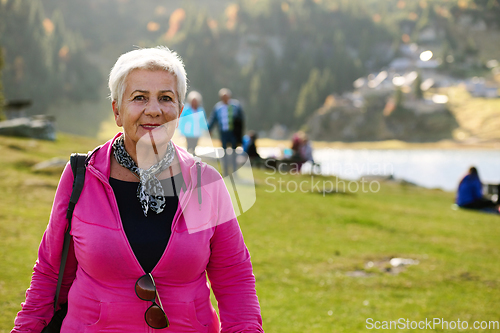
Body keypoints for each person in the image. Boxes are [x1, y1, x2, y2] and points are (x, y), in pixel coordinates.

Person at [12, 47, 263, 332]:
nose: (154, 109)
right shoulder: (80, 176)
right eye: (139, 97)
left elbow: (235, 278)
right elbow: (49, 273)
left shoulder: (205, 182)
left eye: (166, 98)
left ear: (179, 112)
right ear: (117, 111)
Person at [208, 88, 244, 176]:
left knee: (234, 152)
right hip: (223, 133)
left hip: (233, 133)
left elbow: (241, 120)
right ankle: (226, 171)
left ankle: (234, 171)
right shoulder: (218, 107)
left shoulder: (235, 106)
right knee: (224, 152)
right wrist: (209, 129)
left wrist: (240, 134)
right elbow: (213, 119)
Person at [179, 90, 208, 155]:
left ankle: (193, 160)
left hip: (197, 132)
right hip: (188, 132)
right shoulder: (186, 109)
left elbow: (203, 121)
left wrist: (207, 129)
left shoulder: (200, 110)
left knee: (194, 147)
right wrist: (181, 131)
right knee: (189, 147)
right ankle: (188, 160)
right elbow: (182, 121)